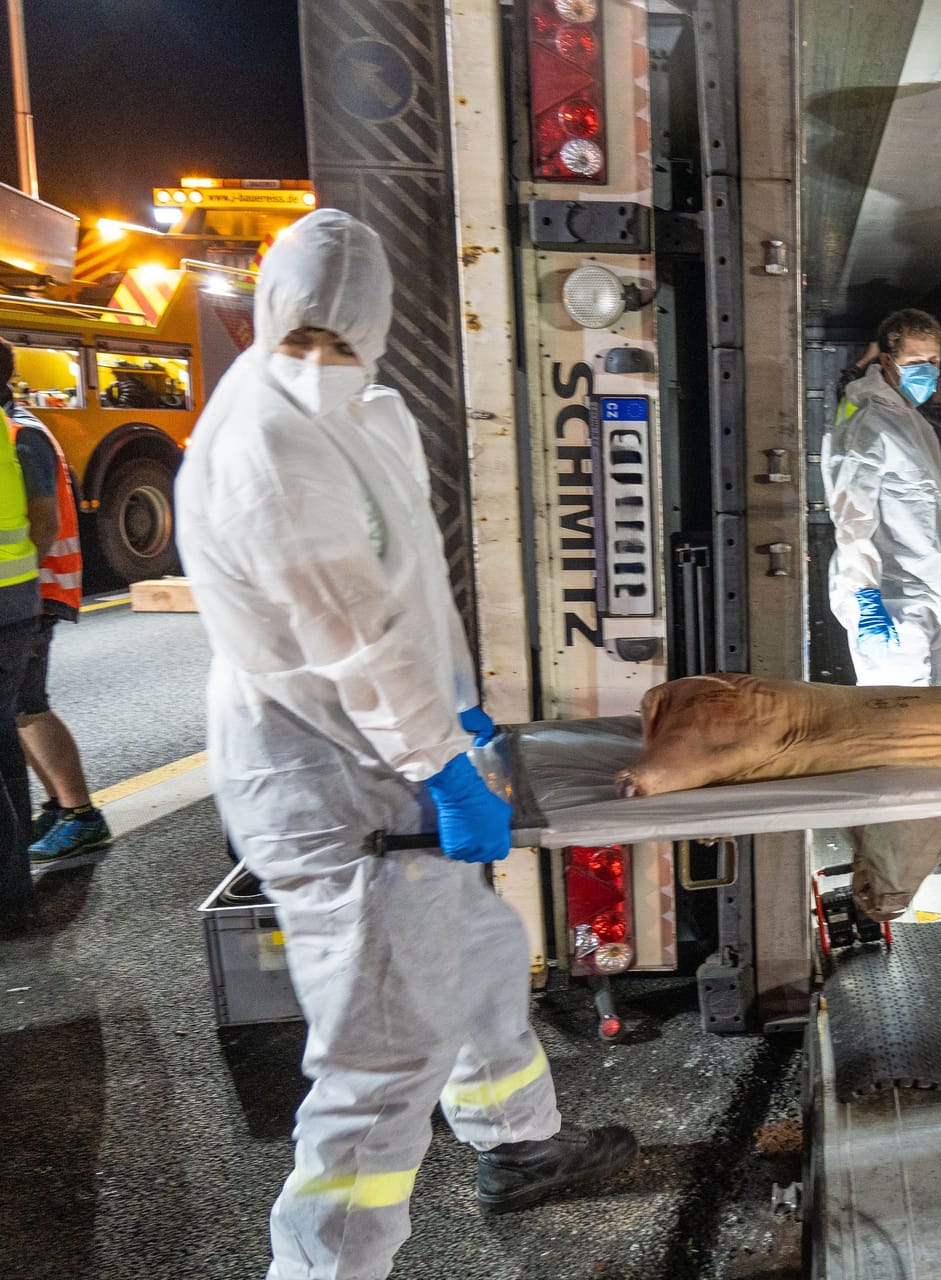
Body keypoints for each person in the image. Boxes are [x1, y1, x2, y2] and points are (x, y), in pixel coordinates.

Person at [175, 209, 634, 1279]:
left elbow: (410, 588)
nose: (323, 361)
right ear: (267, 318)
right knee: (383, 1055)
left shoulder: (366, 410)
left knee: (474, 960)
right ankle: (325, 1263)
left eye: (342, 342)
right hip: (332, 767)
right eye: (303, 339)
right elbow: (353, 636)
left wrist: (461, 707)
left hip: (396, 742)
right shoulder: (268, 448)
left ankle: (520, 1145)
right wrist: (439, 762)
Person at [0, 342, 111, 865]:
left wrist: (21, 585)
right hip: (28, 590)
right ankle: (60, 808)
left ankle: (81, 814)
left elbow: (42, 522)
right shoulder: (14, 427)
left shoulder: (22, 435)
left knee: (27, 706)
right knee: (19, 707)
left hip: (32, 593)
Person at [821, 307, 941, 686]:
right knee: (904, 728)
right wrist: (866, 598)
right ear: (887, 360)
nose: (927, 371)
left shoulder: (911, 420)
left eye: (933, 361)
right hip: (891, 605)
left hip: (928, 601)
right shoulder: (871, 424)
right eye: (916, 361)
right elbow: (851, 519)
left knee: (935, 722)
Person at [0, 399, 41, 932]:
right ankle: (15, 886)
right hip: (16, 599)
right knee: (5, 738)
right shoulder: (11, 429)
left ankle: (9, 896)